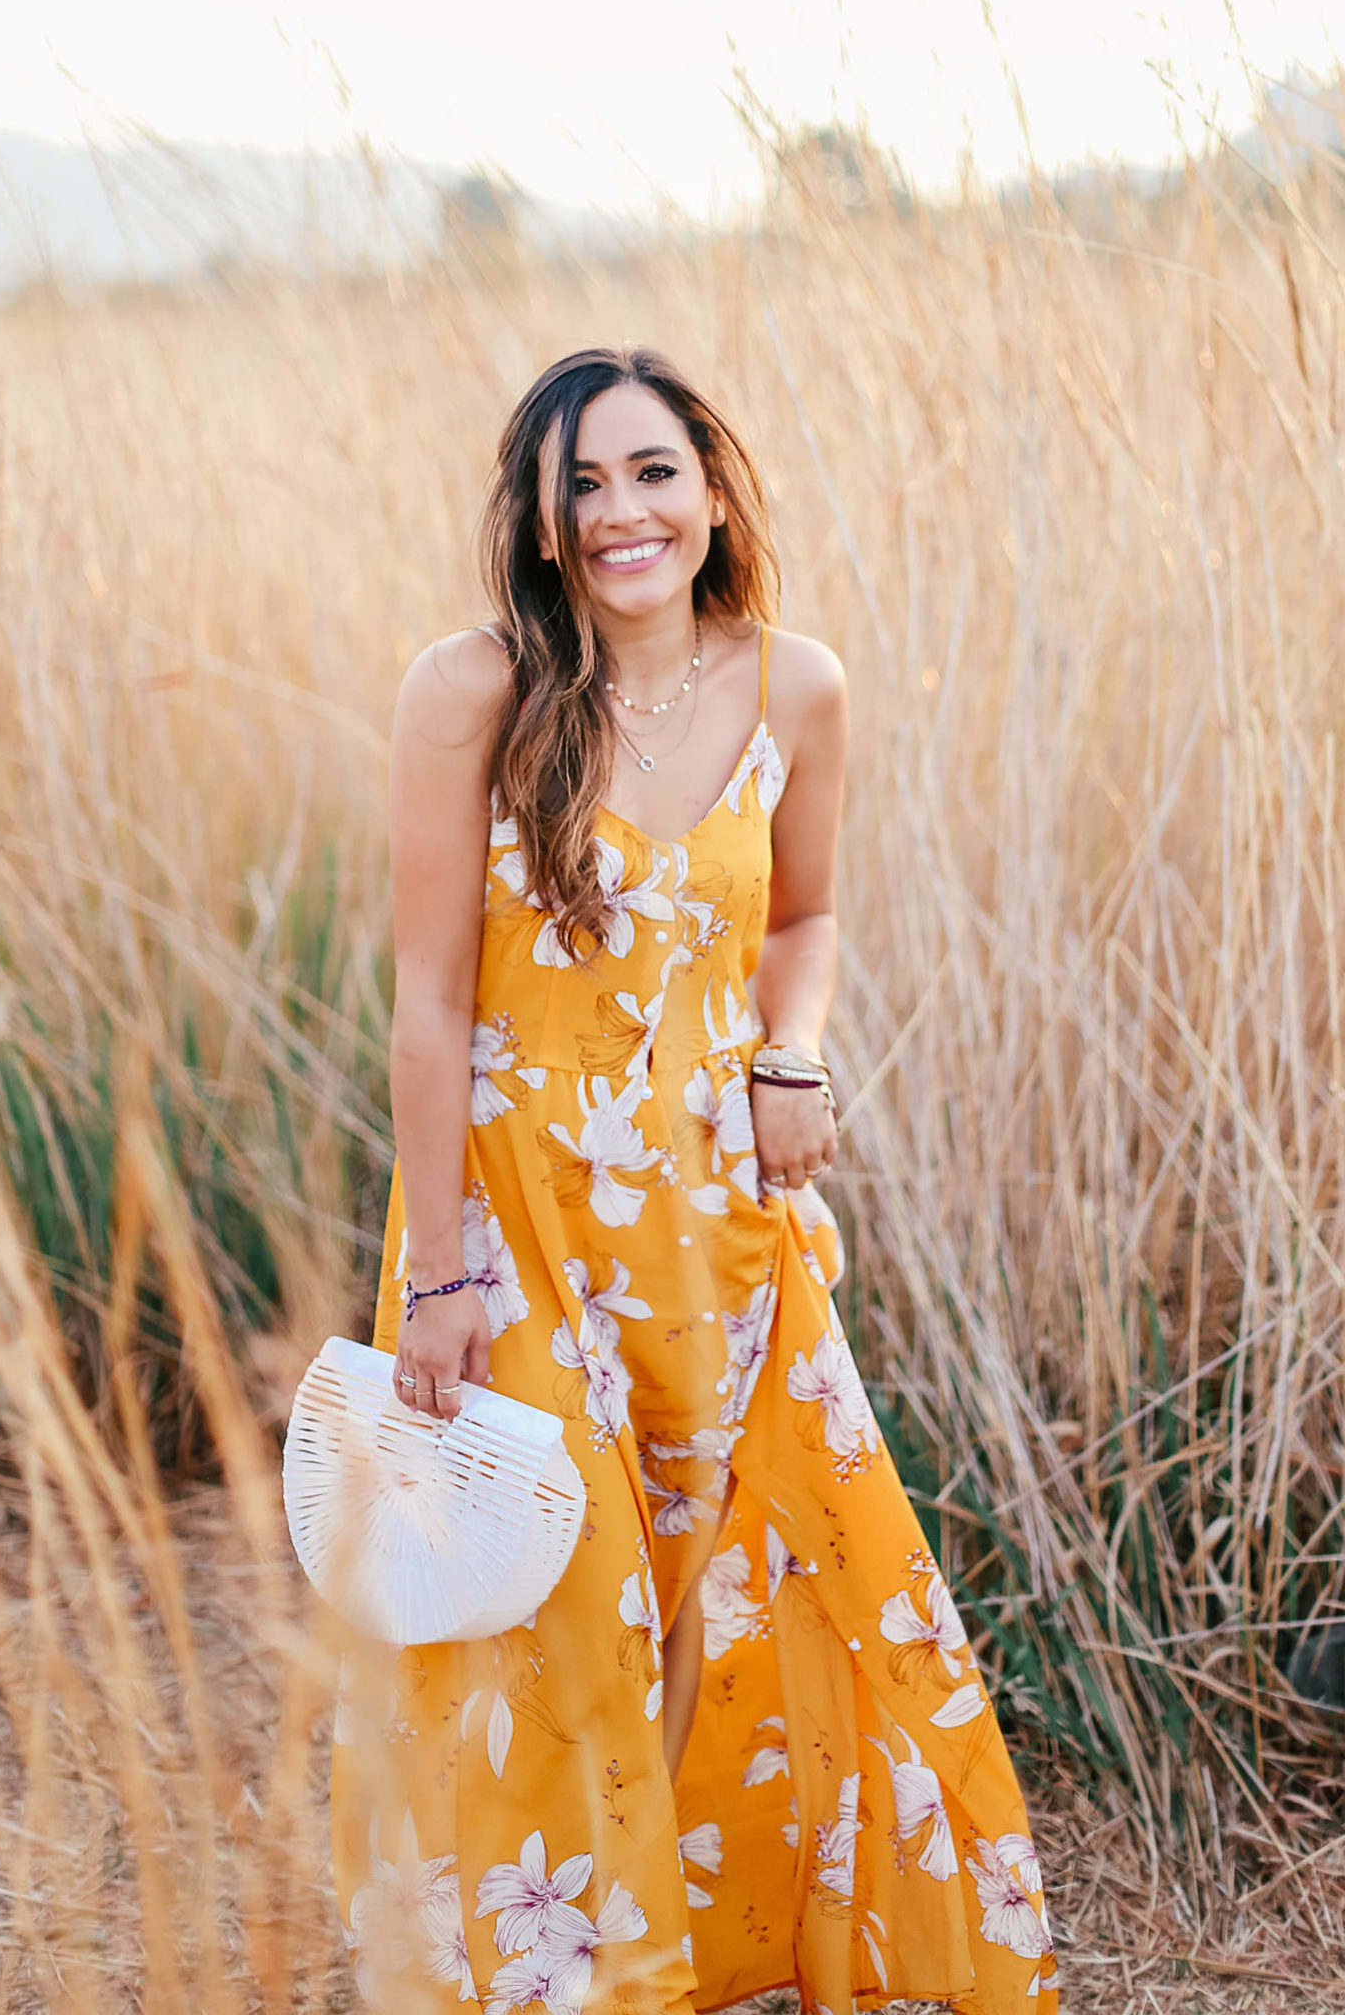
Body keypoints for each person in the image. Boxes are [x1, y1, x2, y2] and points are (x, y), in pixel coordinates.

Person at [329, 347, 1057, 2012]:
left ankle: (716, 1947)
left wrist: (790, 1057)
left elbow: (803, 919)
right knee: (560, 1611)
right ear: (533, 513)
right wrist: (438, 1276)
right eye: (579, 482)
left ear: (713, 489)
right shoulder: (472, 693)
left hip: (723, 1224)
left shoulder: (798, 684)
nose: (619, 514)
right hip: (517, 1225)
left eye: (652, 472)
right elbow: (429, 1005)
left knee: (746, 1600)